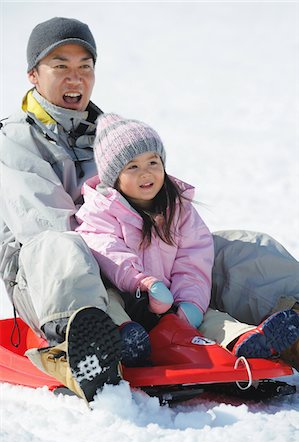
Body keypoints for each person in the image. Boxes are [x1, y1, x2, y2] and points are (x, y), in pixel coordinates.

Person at [0, 17, 298, 404]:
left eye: (84, 67)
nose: (75, 78)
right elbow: (47, 226)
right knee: (64, 246)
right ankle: (87, 344)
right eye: (61, 66)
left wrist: (167, 251)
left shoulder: (114, 136)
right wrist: (141, 275)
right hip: (51, 279)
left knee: (237, 245)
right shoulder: (14, 140)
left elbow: (160, 203)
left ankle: (291, 320)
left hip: (140, 267)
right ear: (33, 75)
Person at [75, 112, 299, 369]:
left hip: (171, 300)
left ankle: (245, 340)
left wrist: (189, 303)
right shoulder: (100, 211)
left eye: (153, 162)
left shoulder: (178, 208)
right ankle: (125, 339)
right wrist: (143, 282)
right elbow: (108, 251)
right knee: (109, 305)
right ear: (114, 176)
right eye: (133, 167)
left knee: (211, 318)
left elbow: (193, 259)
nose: (146, 173)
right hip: (127, 295)